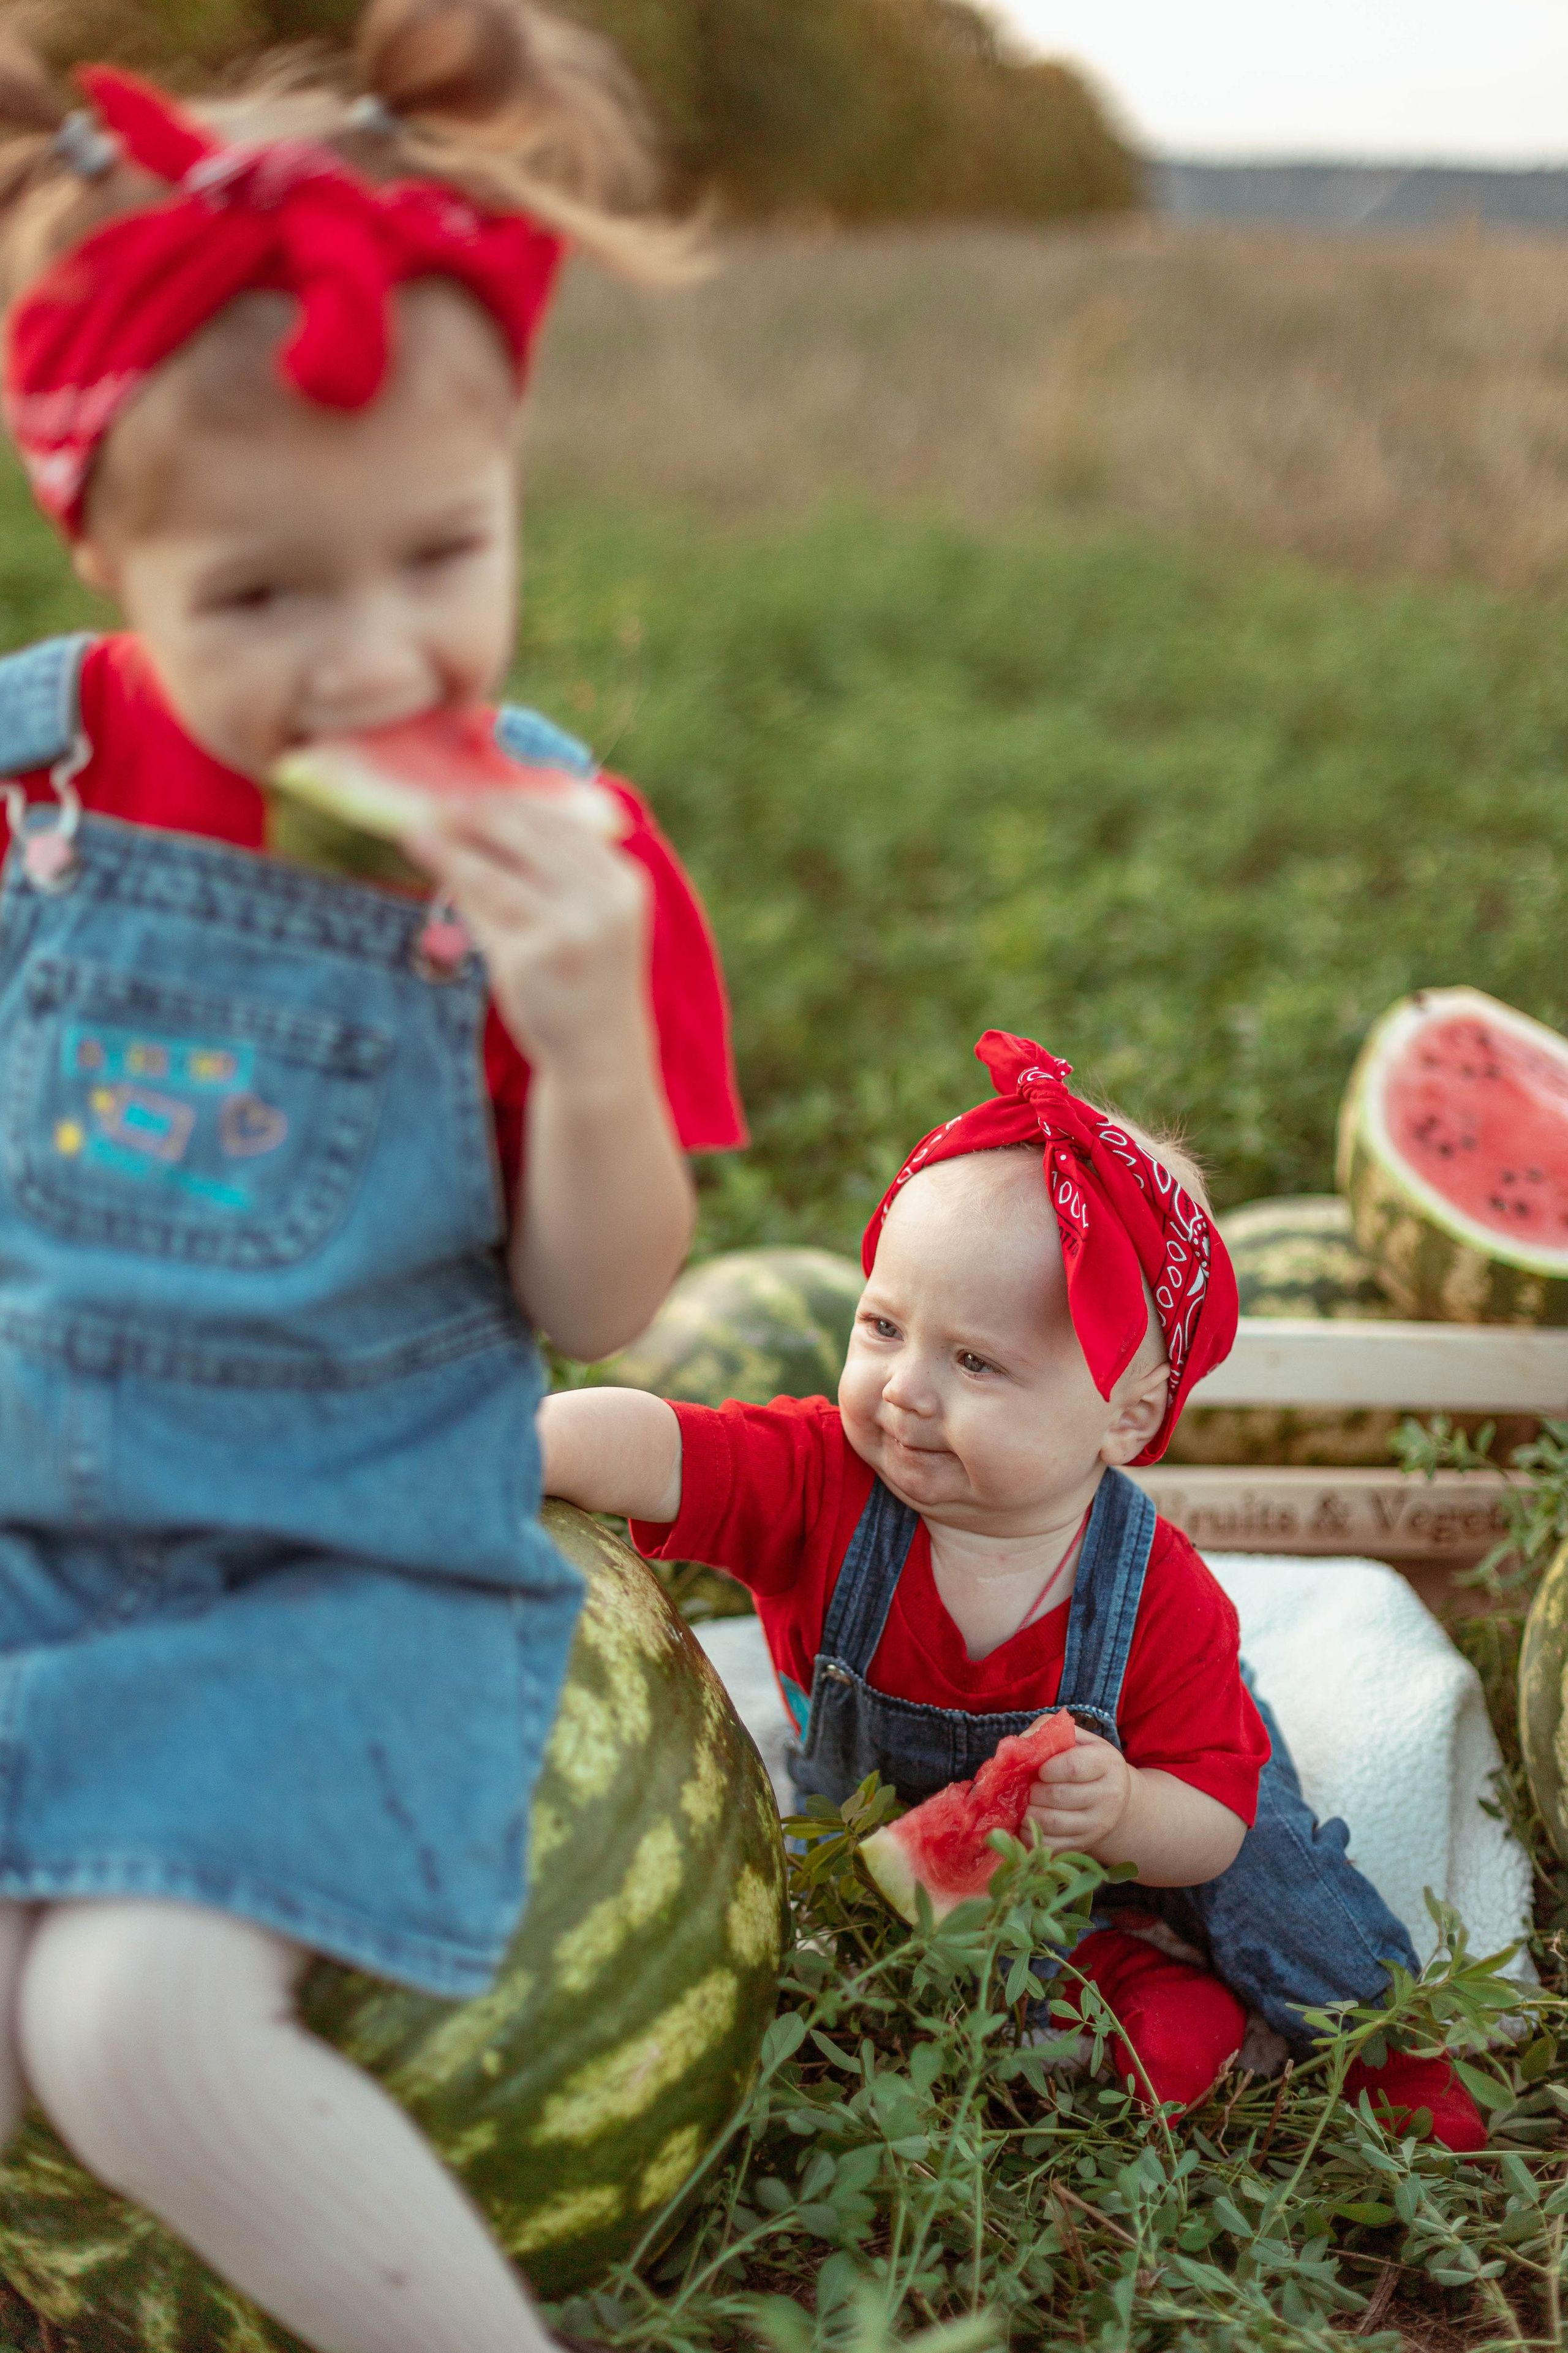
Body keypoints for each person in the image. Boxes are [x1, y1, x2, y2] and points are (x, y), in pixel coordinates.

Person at [0, 9, 744, 2351]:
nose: (375, 658)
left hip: (340, 1570)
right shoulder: (24, 790)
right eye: (259, 600)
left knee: (127, 2024)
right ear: (102, 543)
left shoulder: (566, 861)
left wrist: (592, 1029)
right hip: (30, 1521)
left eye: (442, 553)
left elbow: (606, 1301)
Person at [542, 1030, 1488, 2151]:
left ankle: (1389, 2049)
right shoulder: (816, 1479)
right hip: (949, 1873)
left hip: (1159, 1795)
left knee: (1276, 1865)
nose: (905, 1390)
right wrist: (524, 1441)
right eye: (884, 1326)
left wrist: (1131, 1814)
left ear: (1125, 1420)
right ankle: (1132, 1980)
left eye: (976, 1363)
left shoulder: (1161, 1599)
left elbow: (1212, 1817)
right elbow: (661, 1447)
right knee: (924, 1973)